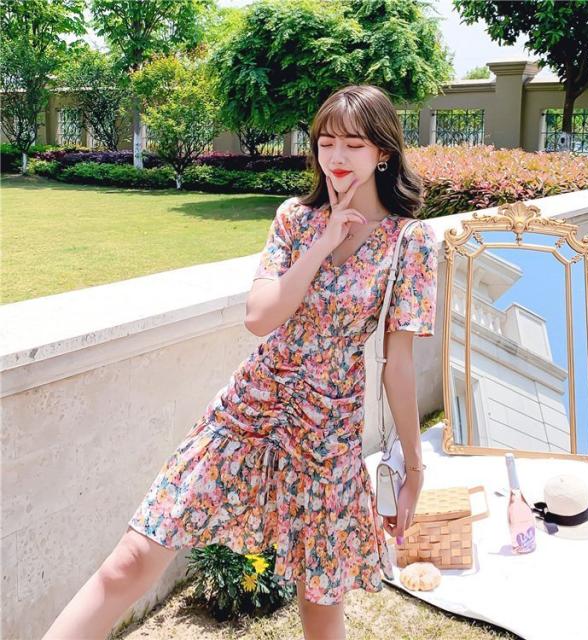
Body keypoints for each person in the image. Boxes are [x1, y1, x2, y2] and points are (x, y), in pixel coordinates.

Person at [42, 84, 438, 640]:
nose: (337, 157)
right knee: (131, 559)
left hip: (327, 432)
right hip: (249, 408)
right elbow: (260, 316)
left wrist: (413, 469)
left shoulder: (410, 241)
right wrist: (325, 239)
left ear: (383, 153)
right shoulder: (295, 220)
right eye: (326, 142)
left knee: (320, 603)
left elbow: (399, 366)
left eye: (354, 144)